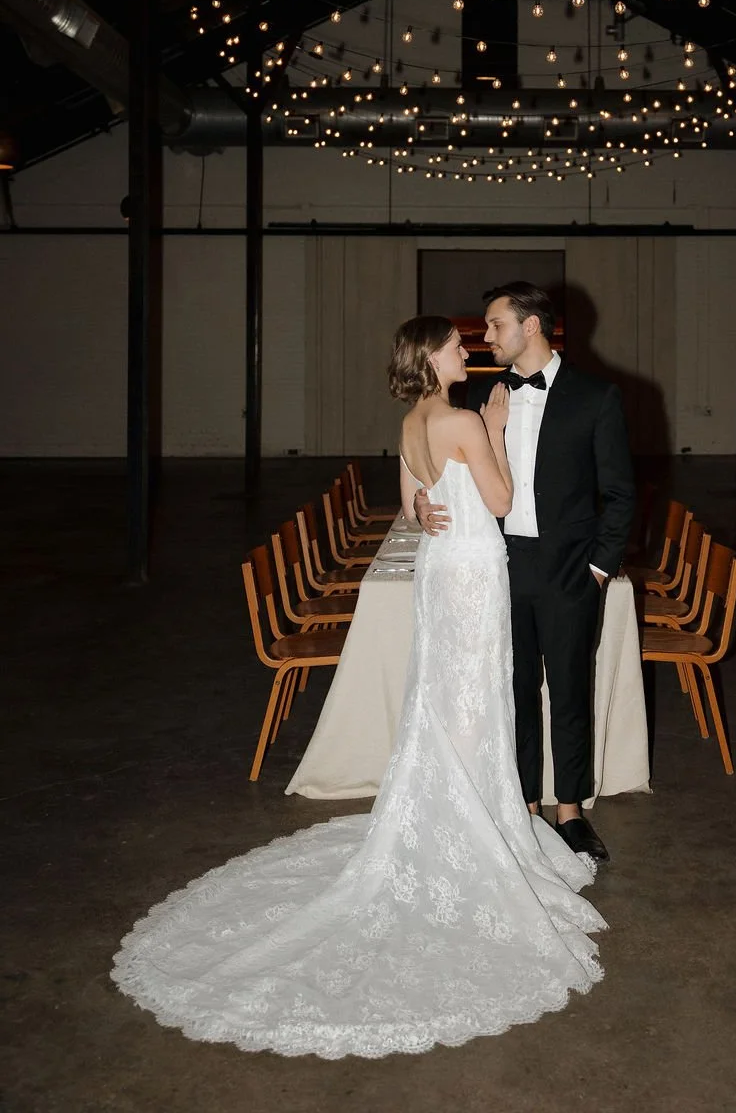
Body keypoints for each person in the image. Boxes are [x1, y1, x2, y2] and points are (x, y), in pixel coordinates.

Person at [110, 316, 606, 1060]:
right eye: (451, 346)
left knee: (442, 698)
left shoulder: (411, 420)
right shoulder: (467, 417)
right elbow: (502, 503)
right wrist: (497, 430)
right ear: (432, 359)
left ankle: (461, 808)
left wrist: (429, 505)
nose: (462, 351)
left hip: (440, 571)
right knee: (474, 704)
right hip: (471, 574)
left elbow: (411, 506)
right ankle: (477, 827)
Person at [415, 282, 634, 865]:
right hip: (500, 565)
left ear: (531, 326)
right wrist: (419, 502)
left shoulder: (596, 396)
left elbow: (619, 494)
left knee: (568, 688)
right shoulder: (486, 395)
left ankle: (570, 810)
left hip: (569, 569)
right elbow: (449, 473)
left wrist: (597, 567)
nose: (485, 337)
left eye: (494, 325)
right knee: (512, 691)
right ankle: (523, 807)